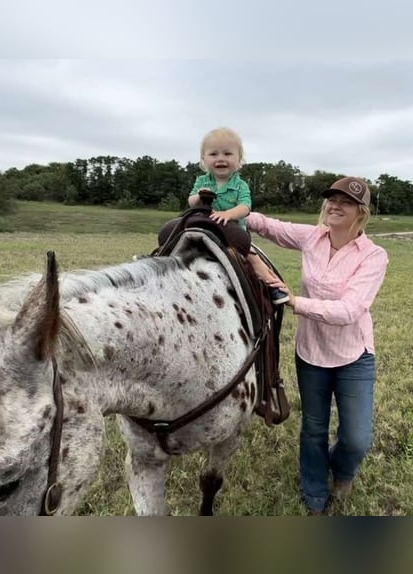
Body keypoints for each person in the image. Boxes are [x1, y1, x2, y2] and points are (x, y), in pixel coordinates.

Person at [246, 176, 389, 515]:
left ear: (361, 212)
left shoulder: (373, 256)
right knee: (314, 428)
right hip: (311, 351)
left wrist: (295, 302)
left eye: (346, 202)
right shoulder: (313, 237)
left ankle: (343, 471)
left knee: (356, 439)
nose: (335, 205)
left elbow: (351, 310)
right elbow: (270, 227)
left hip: (354, 355)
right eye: (331, 199)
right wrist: (229, 208)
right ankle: (314, 491)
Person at [158, 127, 289, 304]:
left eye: (227, 154)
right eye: (213, 154)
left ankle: (269, 283)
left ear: (239, 160)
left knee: (248, 256)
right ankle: (157, 264)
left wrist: (228, 214)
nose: (220, 158)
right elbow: (191, 201)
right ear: (204, 159)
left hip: (231, 230)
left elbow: (245, 207)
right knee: (172, 237)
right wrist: (199, 196)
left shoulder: (240, 185)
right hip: (202, 223)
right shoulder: (202, 181)